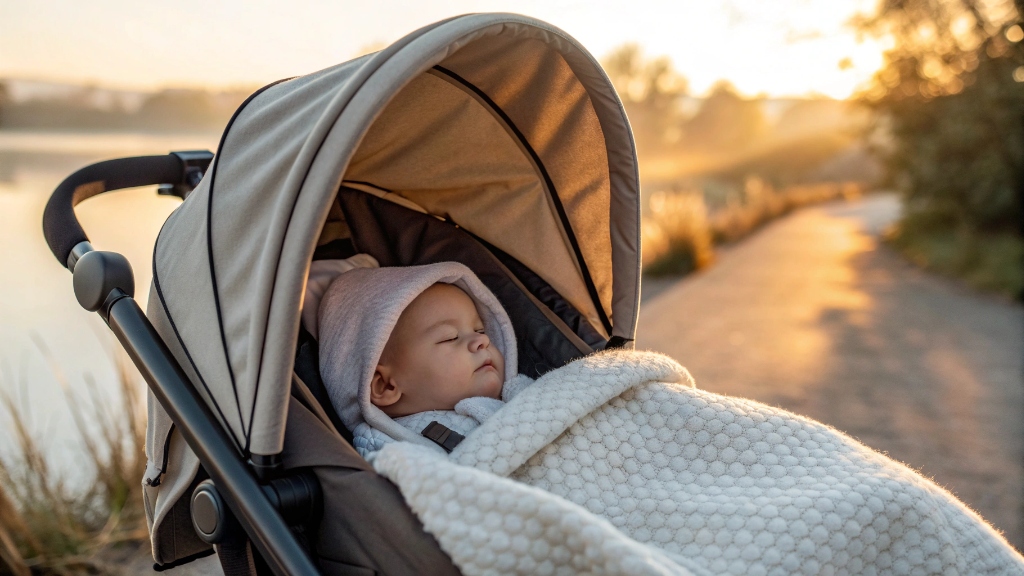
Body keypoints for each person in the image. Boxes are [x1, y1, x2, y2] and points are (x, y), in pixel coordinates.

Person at [317, 261, 531, 457]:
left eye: (480, 329)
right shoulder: (390, 446)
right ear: (386, 385)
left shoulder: (524, 395)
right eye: (450, 337)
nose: (482, 340)